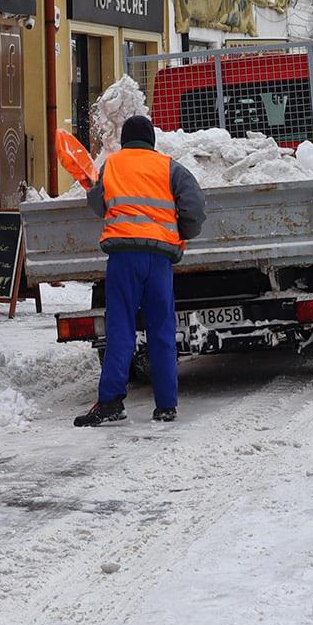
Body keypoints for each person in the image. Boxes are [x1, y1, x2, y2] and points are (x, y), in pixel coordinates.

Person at [75, 115, 205, 427]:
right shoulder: (169, 167)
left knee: (121, 328)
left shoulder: (113, 165)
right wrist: (181, 231)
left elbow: (97, 203)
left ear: (125, 140)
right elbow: (195, 208)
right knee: (161, 330)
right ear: (151, 141)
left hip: (123, 257)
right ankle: (166, 406)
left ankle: (111, 401)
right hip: (158, 259)